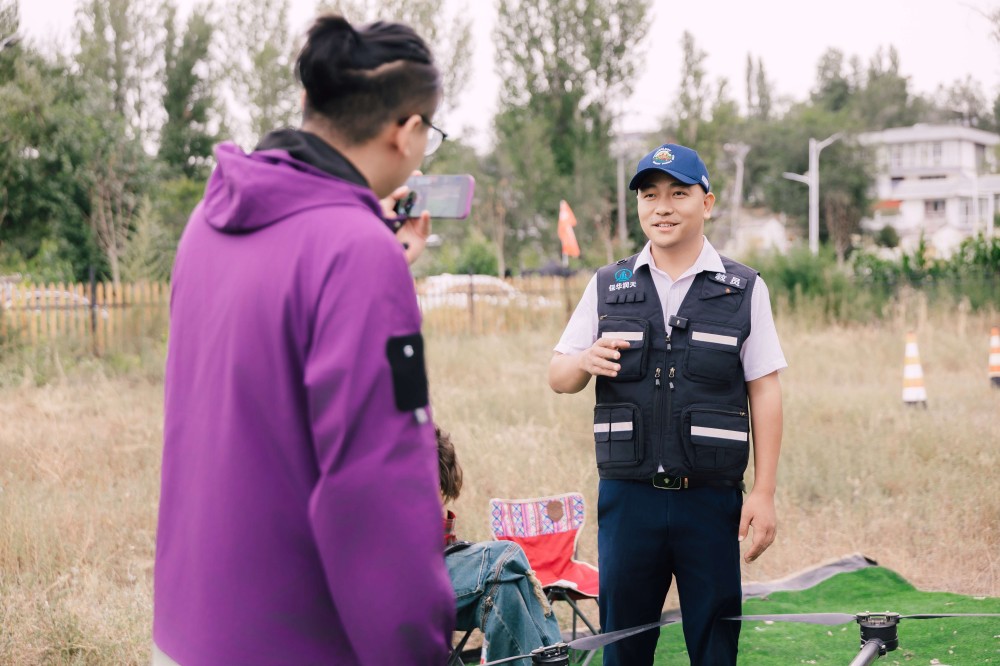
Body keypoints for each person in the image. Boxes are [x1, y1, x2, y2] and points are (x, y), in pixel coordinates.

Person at [153, 15, 455, 666]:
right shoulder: (354, 251)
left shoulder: (207, 223)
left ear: (307, 104)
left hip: (189, 631)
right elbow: (375, 496)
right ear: (407, 132)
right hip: (297, 640)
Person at [547, 143, 785, 665]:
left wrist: (763, 493)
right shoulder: (609, 285)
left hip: (710, 502)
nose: (663, 206)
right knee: (623, 649)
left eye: (679, 193)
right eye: (650, 194)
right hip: (629, 502)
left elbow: (765, 388)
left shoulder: (743, 288)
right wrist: (584, 359)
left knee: (714, 645)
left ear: (708, 201)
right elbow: (559, 377)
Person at [437, 426, 563, 665]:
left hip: (438, 586)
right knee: (505, 556)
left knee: (505, 592)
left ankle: (551, 656)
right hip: (398, 590)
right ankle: (554, 655)